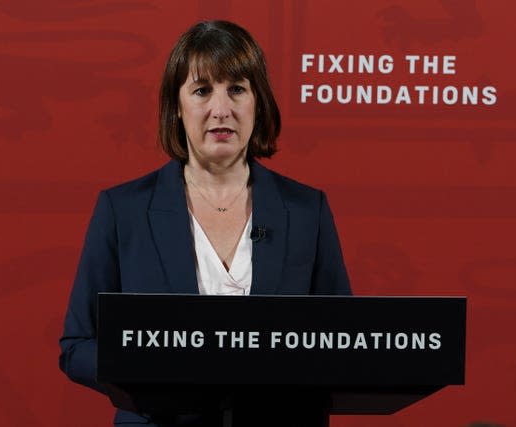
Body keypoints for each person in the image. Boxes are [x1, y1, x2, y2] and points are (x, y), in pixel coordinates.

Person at [59, 20, 351, 426]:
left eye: (236, 89)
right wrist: (150, 368)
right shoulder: (122, 210)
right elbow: (77, 345)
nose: (221, 109)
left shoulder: (307, 210)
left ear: (258, 102)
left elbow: (346, 343)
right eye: (202, 91)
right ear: (177, 107)